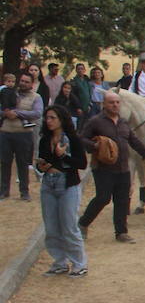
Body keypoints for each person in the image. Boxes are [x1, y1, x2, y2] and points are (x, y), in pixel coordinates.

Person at [77, 88, 145, 242]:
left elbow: (134, 141)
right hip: (103, 167)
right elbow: (81, 139)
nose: (115, 105)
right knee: (103, 198)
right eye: (111, 102)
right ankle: (82, 223)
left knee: (122, 200)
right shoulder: (95, 122)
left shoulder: (123, 122)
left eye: (117, 102)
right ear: (104, 104)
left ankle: (121, 232)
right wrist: (95, 146)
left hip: (123, 167)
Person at [35, 105, 88, 276]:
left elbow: (82, 163)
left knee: (69, 225)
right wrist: (41, 166)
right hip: (48, 183)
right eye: (47, 118)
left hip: (67, 183)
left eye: (52, 118)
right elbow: (44, 161)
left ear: (61, 119)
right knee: (51, 226)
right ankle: (60, 262)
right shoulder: (45, 139)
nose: (48, 121)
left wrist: (63, 156)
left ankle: (79, 264)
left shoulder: (73, 139)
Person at [0, 72, 42, 200]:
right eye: (22, 81)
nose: (23, 83)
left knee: (22, 163)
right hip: (5, 132)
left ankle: (24, 192)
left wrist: (17, 113)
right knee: (5, 162)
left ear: (31, 84)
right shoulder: (8, 92)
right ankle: (3, 191)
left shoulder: (36, 97)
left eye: (26, 82)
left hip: (24, 134)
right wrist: (6, 114)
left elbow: (37, 113)